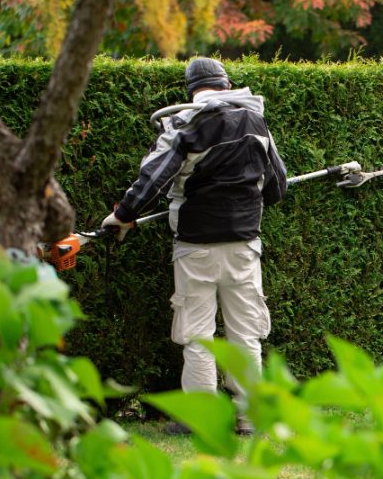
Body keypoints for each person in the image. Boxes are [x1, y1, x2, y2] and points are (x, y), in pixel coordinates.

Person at [101, 57, 287, 435]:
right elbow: (277, 186)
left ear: (190, 90)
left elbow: (152, 178)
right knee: (244, 334)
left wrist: (121, 216)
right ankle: (249, 418)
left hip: (195, 247)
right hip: (244, 246)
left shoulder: (185, 123)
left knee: (199, 335)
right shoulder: (256, 122)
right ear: (226, 82)